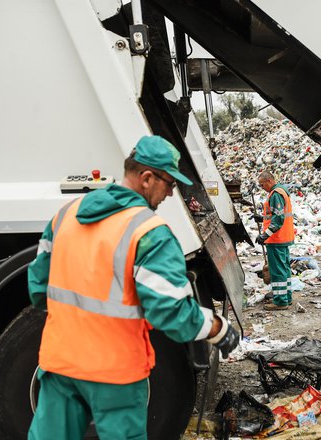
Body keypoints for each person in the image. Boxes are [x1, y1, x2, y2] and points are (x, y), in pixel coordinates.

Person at [27, 135, 239, 440]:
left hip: (60, 364)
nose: (169, 193)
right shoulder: (149, 233)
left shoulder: (66, 216)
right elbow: (172, 312)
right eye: (169, 183)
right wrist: (217, 328)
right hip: (115, 374)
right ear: (147, 178)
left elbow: (38, 287)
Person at [255, 171, 295, 311]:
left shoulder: (276, 194)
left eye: (262, 185)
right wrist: (262, 219)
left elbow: (278, 220)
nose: (262, 188)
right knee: (284, 268)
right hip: (284, 237)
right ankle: (287, 297)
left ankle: (280, 301)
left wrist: (264, 235)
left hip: (276, 239)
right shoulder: (282, 192)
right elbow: (276, 215)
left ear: (269, 181)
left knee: (277, 270)